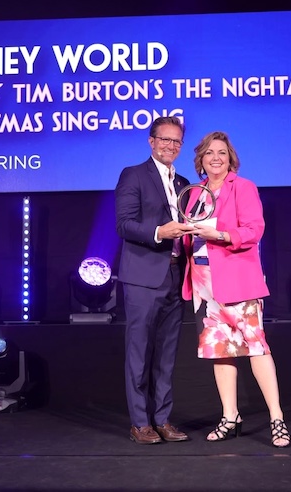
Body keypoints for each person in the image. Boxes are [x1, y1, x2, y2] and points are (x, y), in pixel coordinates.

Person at [181, 131, 290, 448]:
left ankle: (277, 418)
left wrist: (220, 235)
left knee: (256, 347)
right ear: (201, 159)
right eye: (209, 153)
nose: (215, 158)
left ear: (231, 159)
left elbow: (254, 229)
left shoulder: (243, 187)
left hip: (237, 276)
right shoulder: (195, 193)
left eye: (222, 153)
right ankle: (230, 416)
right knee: (220, 349)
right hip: (204, 281)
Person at [114, 116, 196, 445]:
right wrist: (160, 231)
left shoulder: (184, 183)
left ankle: (162, 419)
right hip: (143, 277)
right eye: (165, 139)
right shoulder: (133, 174)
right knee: (139, 352)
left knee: (167, 354)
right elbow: (124, 224)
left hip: (176, 274)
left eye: (176, 141)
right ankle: (140, 423)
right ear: (151, 141)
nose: (170, 146)